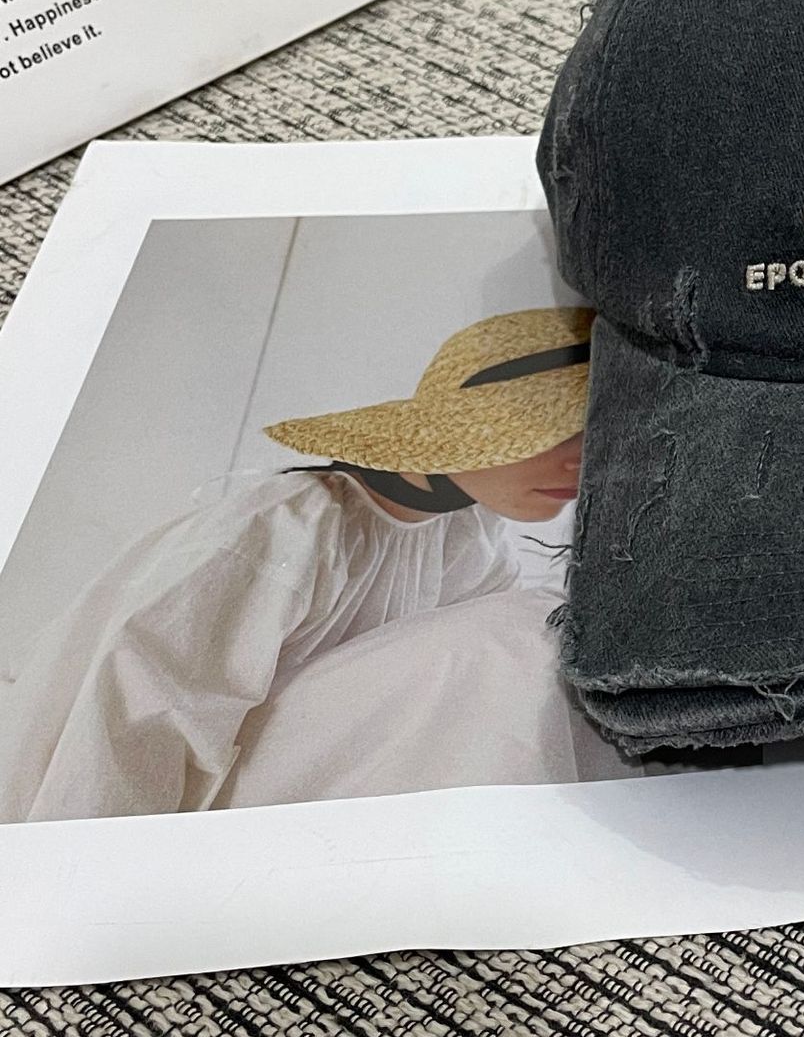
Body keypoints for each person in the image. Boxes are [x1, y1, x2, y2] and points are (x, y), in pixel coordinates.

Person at [0, 307, 592, 823]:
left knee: (554, 632)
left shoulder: (472, 537)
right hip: (184, 808)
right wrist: (87, 877)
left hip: (332, 798)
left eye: (594, 434)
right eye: (553, 431)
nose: (580, 462)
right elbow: (128, 713)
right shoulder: (287, 526)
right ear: (463, 434)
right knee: (525, 635)